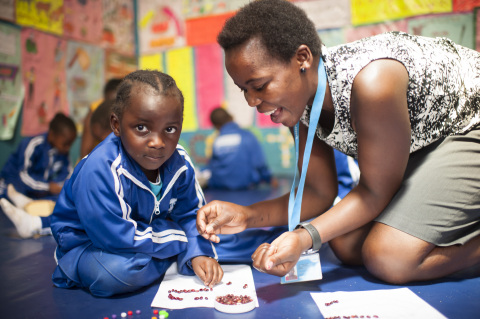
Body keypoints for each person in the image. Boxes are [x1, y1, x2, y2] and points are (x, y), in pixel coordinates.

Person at [197, 0, 480, 284]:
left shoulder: (373, 83)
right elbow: (317, 193)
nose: (252, 102)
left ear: (302, 59)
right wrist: (246, 215)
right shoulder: (301, 99)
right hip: (430, 141)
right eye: (243, 89)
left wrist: (304, 236)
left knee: (390, 257)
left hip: (470, 124)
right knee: (345, 241)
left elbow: (373, 192)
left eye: (258, 86)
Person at [50, 70, 223, 297]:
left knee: (217, 235)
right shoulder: (100, 168)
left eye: (170, 129)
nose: (157, 142)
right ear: (116, 124)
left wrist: (199, 249)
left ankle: (178, 254)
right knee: (114, 274)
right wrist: (186, 239)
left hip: (150, 238)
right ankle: (179, 256)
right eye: (142, 127)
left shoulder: (179, 162)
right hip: (93, 247)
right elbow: (115, 237)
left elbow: (193, 212)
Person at [0, 112, 77, 238]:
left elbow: (68, 174)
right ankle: (23, 204)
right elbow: (23, 176)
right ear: (52, 135)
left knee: (62, 199)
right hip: (12, 186)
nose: (68, 148)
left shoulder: (63, 152)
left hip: (35, 193)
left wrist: (58, 186)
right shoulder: (33, 144)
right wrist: (48, 187)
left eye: (70, 144)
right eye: (65, 143)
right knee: (6, 195)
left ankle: (27, 204)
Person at [198, 107, 277, 190]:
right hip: (245, 185)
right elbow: (259, 163)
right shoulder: (247, 136)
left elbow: (213, 165)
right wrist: (270, 179)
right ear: (231, 117)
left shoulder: (217, 140)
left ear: (215, 126)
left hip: (220, 186)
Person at [79, 78, 122, 158]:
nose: (112, 107)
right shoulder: (95, 113)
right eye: (108, 102)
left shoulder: (128, 114)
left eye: (116, 103)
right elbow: (85, 153)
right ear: (104, 99)